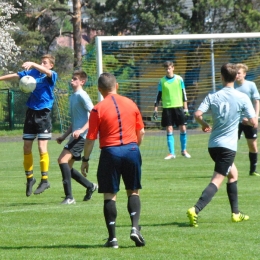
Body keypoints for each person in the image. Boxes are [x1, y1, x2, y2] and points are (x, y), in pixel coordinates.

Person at [187, 63, 257, 227]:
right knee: (217, 180)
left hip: (213, 145)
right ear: (235, 77)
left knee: (233, 174)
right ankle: (195, 209)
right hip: (228, 147)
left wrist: (204, 124)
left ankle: (236, 213)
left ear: (221, 77)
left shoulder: (213, 96)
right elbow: (254, 122)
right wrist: (243, 119)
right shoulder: (242, 98)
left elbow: (197, 114)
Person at [81, 72, 145, 248]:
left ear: (99, 90)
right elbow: (141, 132)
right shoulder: (131, 104)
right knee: (133, 191)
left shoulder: (97, 109)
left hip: (110, 152)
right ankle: (134, 228)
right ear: (116, 86)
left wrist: (85, 159)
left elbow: (90, 138)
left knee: (110, 195)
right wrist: (134, 147)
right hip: (132, 150)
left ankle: (113, 239)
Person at [0, 54, 58, 196]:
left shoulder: (51, 75)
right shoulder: (33, 73)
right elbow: (16, 76)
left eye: (45, 62)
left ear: (51, 65)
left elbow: (47, 72)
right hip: (31, 113)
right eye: (41, 62)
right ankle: (30, 179)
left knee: (41, 146)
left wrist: (32, 62)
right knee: (26, 147)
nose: (42, 64)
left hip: (43, 114)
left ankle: (45, 180)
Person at [56, 70, 98, 205]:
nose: (71, 81)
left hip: (82, 136)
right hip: (75, 136)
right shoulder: (73, 96)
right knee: (67, 166)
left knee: (62, 160)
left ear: (82, 82)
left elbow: (93, 114)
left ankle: (69, 197)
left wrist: (81, 130)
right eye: (72, 78)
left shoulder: (82, 96)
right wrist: (64, 136)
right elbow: (75, 121)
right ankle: (90, 186)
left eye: (74, 79)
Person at [153, 61, 191, 160]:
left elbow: (184, 94)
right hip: (167, 108)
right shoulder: (162, 81)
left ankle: (184, 150)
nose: (168, 70)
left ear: (173, 68)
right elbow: (158, 96)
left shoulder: (179, 79)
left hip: (178, 107)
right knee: (169, 129)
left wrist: (186, 108)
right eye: (166, 69)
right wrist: (155, 110)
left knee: (183, 128)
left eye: (169, 68)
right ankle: (172, 153)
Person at [234, 63, 260, 176]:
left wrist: (255, 117)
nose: (236, 75)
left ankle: (253, 170)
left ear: (244, 74)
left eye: (239, 73)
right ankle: (227, 169)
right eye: (235, 73)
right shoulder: (231, 85)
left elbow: (256, 101)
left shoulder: (251, 85)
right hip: (234, 121)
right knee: (230, 145)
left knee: (252, 145)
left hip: (249, 120)